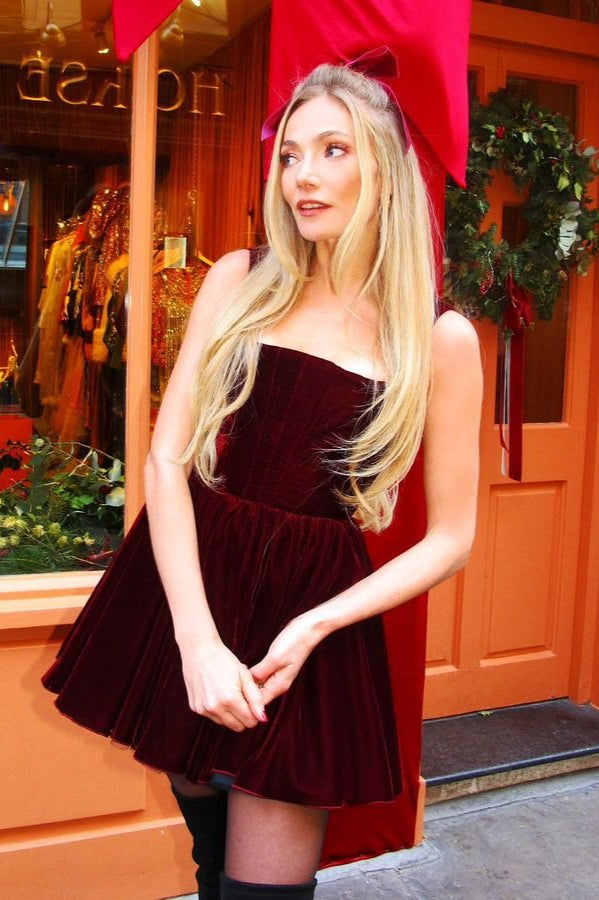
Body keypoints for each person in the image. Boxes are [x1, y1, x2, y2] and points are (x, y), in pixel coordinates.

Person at [43, 61, 482, 900]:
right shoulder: (239, 279)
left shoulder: (438, 337)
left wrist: (315, 626)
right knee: (212, 865)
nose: (302, 176)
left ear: (384, 170)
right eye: (289, 154)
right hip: (194, 589)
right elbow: (167, 459)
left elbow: (452, 538)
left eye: (332, 150)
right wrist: (197, 643)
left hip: (309, 621)